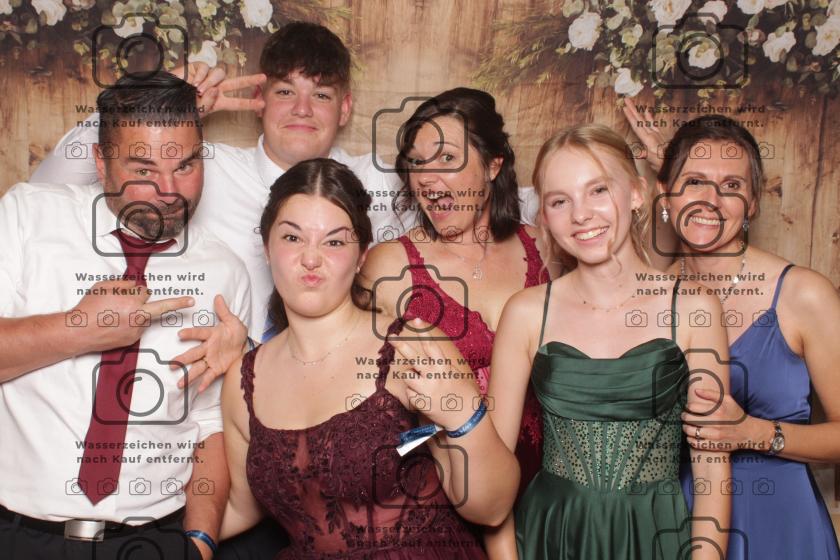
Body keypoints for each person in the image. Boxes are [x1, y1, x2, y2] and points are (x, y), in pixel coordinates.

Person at [0, 74, 250, 560]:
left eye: (186, 165)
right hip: (19, 537)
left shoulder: (225, 270)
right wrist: (78, 328)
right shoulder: (29, 217)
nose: (169, 190)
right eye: (143, 168)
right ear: (100, 162)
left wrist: (199, 543)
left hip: (154, 541)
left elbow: (209, 426)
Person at [218, 157, 521, 558]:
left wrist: (463, 414)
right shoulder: (245, 379)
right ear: (267, 247)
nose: (311, 258)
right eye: (292, 237)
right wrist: (162, 535)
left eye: (334, 241)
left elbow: (492, 509)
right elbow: (240, 506)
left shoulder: (408, 346)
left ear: (362, 255)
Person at [31, 21, 404, 341]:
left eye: (320, 95)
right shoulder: (195, 165)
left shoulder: (380, 182)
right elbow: (48, 185)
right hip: (211, 383)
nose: (302, 109)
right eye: (285, 91)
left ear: (345, 108)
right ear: (259, 98)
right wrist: (149, 100)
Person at [486, 124, 733, 559]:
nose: (580, 214)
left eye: (598, 190)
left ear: (636, 193)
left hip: (655, 535)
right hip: (551, 536)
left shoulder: (694, 308)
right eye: (560, 201)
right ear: (545, 217)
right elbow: (493, 478)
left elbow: (712, 473)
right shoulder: (526, 313)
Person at [359, 88, 556, 557]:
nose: (428, 178)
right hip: (448, 505)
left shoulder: (547, 250)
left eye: (447, 158)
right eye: (417, 162)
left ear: (493, 166)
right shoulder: (391, 266)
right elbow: (362, 401)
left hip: (553, 496)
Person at [649, 114, 840, 560]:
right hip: (676, 523)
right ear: (665, 194)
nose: (711, 200)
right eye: (694, 181)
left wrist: (755, 433)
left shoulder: (802, 294)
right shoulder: (646, 298)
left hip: (782, 527)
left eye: (731, 186)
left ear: (752, 203)